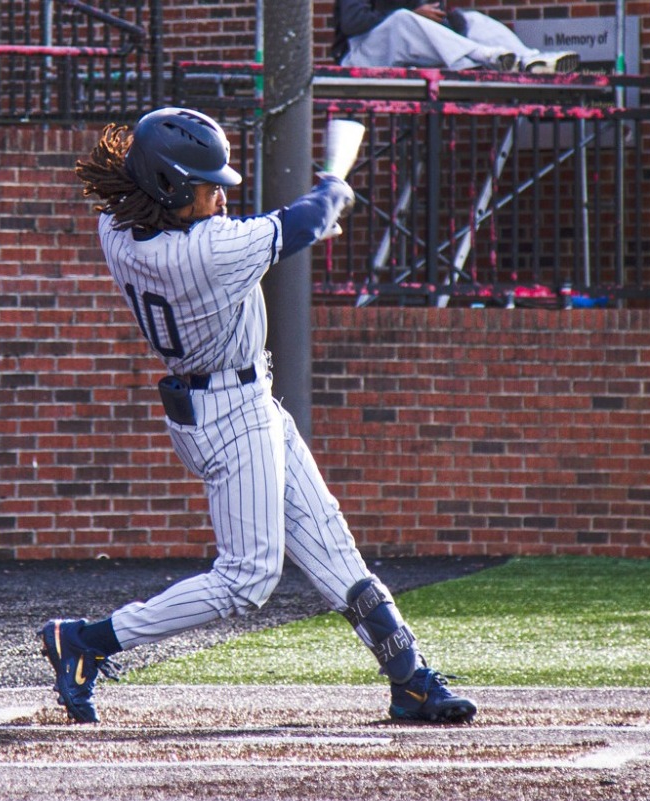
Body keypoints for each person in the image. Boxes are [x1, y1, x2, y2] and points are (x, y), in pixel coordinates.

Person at [41, 107, 477, 726]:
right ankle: (87, 642)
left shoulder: (116, 225)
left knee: (332, 546)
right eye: (206, 185)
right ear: (165, 188)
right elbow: (307, 222)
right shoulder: (206, 252)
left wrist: (321, 195)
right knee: (248, 578)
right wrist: (334, 187)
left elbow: (260, 221)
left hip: (234, 402)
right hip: (227, 413)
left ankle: (410, 680)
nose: (221, 196)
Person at [333, 0, 579, 74]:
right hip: (357, 56)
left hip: (405, 56)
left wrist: (454, 24)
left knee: (470, 19)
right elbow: (353, 22)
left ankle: (529, 61)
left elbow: (429, 27)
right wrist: (412, 13)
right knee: (402, 20)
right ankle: (489, 56)